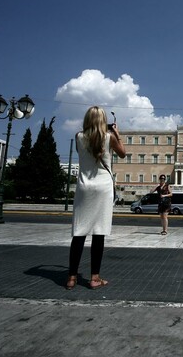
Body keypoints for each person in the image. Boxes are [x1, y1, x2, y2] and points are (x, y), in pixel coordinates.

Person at [66, 106, 126, 290]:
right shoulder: (110, 138)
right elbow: (123, 154)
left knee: (79, 233)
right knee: (99, 233)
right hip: (103, 188)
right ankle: (94, 278)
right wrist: (117, 133)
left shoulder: (78, 137)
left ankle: (71, 277)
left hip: (85, 187)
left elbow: (83, 154)